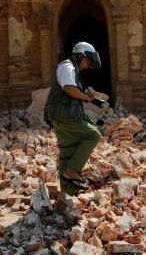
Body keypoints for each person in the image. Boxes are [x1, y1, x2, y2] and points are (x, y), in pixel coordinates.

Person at [44, 41, 105, 196]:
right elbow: (69, 88)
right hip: (66, 116)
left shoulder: (71, 69)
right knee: (93, 135)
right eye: (87, 61)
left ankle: (67, 191)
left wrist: (86, 97)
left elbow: (71, 90)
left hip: (61, 116)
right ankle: (72, 172)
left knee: (68, 151)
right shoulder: (68, 67)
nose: (87, 66)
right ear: (80, 56)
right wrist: (86, 97)